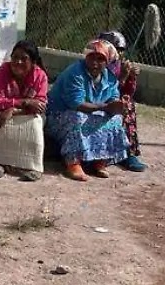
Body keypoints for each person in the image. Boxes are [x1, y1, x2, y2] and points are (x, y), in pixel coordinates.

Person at [46, 39, 130, 181]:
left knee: (115, 119)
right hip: (59, 115)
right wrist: (106, 107)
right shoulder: (75, 73)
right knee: (77, 118)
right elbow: (77, 104)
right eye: (92, 57)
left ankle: (100, 160)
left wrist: (119, 106)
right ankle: (73, 162)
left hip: (92, 112)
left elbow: (113, 98)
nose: (95, 62)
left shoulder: (109, 78)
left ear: (107, 61)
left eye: (101, 59)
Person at [0, 40, 50, 181]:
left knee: (34, 123)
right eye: (15, 57)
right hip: (4, 110)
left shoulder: (40, 76)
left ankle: (32, 167)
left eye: (24, 59)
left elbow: (40, 106)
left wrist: (13, 110)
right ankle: (0, 163)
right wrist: (25, 102)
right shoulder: (1, 72)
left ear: (33, 62)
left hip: (27, 114)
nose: (18, 62)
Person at [98, 30, 147, 172]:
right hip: (95, 101)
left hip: (111, 101)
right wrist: (123, 77)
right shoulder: (97, 64)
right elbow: (106, 92)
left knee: (128, 104)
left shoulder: (119, 65)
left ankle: (129, 152)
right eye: (114, 49)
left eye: (120, 50)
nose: (118, 53)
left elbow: (127, 92)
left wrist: (131, 77)